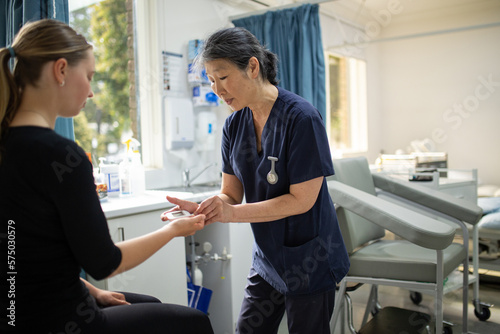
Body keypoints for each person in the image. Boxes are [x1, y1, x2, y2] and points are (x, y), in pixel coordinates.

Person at [0, 19, 214, 334]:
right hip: (62, 320)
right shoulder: (61, 155)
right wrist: (175, 230)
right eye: (88, 76)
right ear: (61, 71)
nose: (89, 91)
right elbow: (105, 262)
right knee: (195, 324)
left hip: (17, 315)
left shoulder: (9, 147)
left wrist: (93, 290)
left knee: (150, 305)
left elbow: (24, 253)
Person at [164, 27, 350, 334]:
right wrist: (206, 209)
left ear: (252, 67)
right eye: (211, 80)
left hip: (309, 259)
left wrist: (232, 214)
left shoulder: (302, 118)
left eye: (222, 78)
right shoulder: (234, 125)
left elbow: (302, 200)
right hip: (268, 260)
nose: (216, 89)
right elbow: (230, 194)